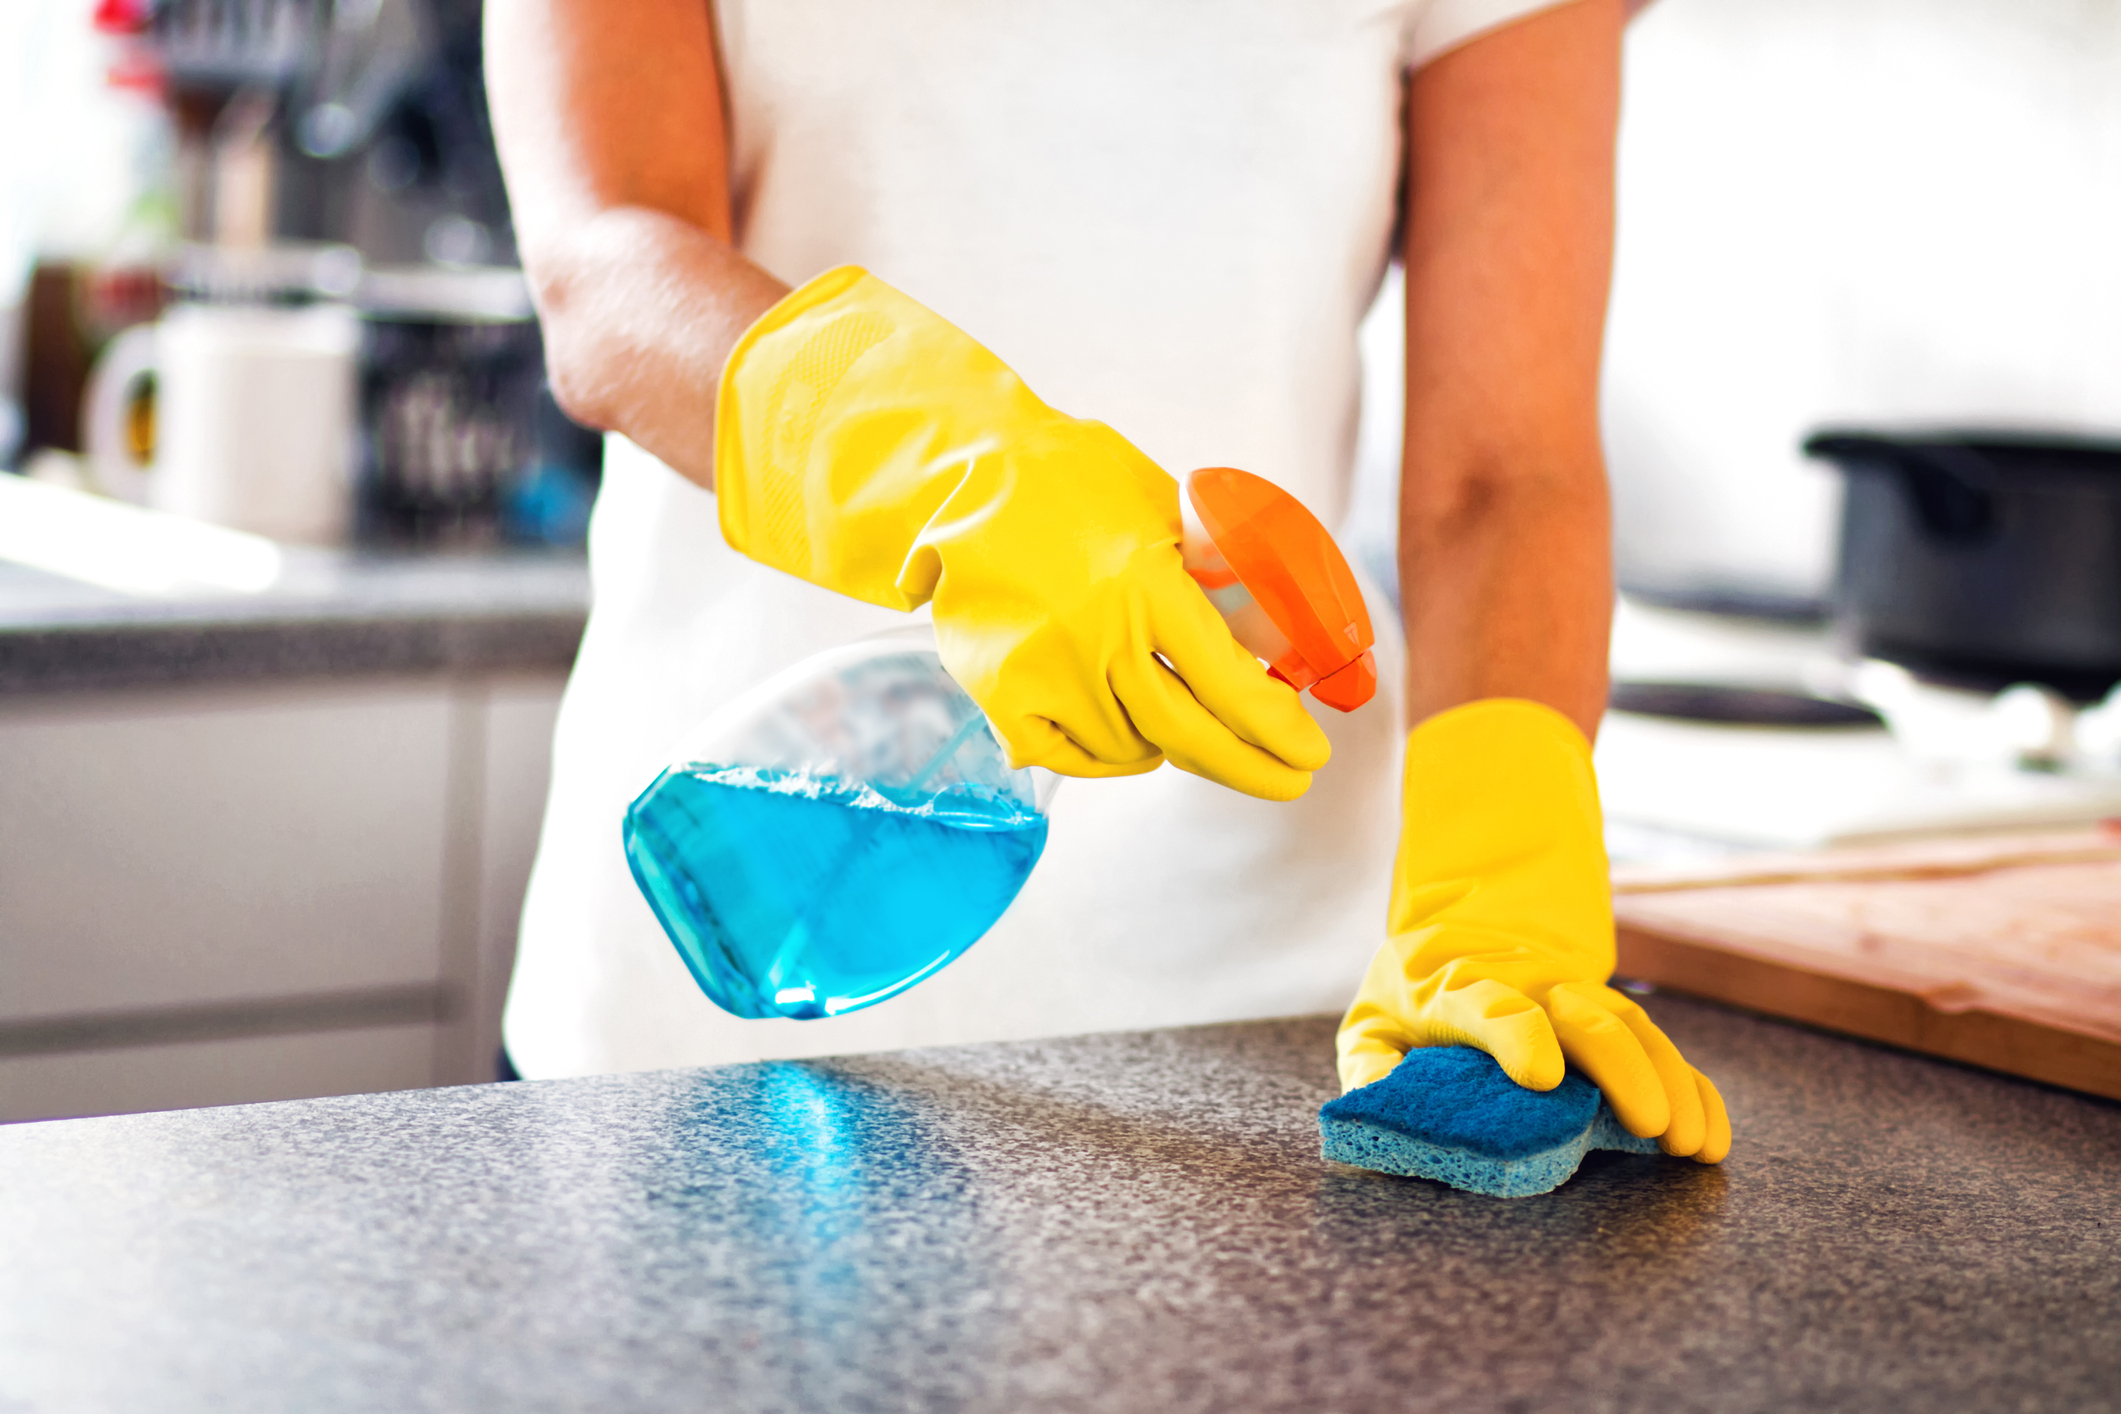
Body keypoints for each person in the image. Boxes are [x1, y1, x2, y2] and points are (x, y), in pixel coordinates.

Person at [486, 0, 1729, 1163]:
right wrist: (959, 477)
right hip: (733, 939)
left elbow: (1504, 471)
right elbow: (606, 267)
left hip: (1253, 1032)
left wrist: (1497, 876)